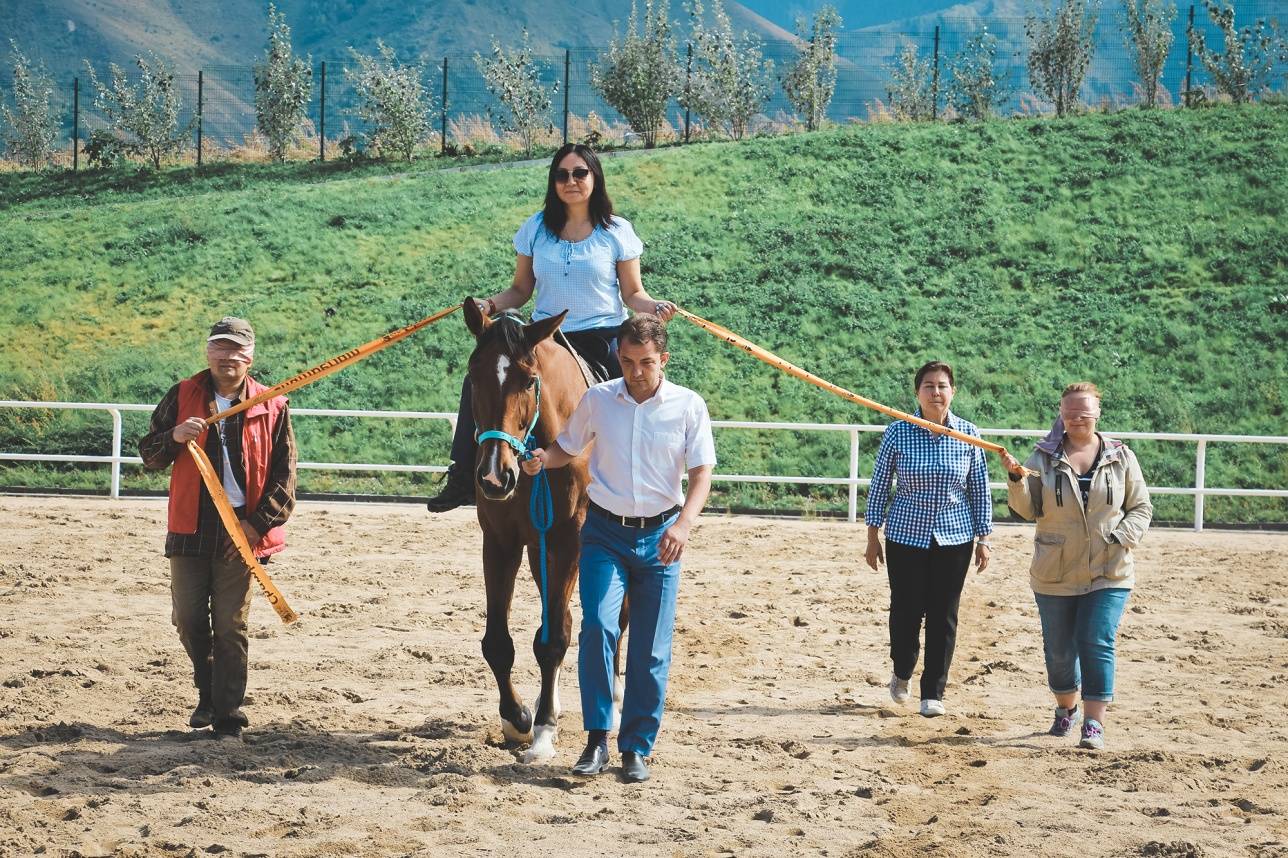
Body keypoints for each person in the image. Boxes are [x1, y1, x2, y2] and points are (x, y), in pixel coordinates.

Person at [426, 143, 677, 512]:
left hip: (601, 334)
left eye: (579, 173)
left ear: (594, 177)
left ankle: (639, 476)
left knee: (632, 387)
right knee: (479, 377)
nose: (570, 181)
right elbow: (521, 289)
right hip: (542, 336)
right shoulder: (536, 229)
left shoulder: (617, 231)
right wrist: (491, 305)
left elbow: (633, 293)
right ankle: (464, 472)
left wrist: (653, 307)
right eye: (562, 175)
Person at [521, 314, 715, 783]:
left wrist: (684, 526)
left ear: (663, 359)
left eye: (645, 362)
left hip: (661, 538)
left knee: (650, 650)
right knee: (598, 631)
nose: (635, 371)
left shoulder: (688, 406)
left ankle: (636, 748)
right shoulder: (599, 399)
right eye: (627, 361)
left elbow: (702, 474)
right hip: (604, 533)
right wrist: (542, 460)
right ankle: (596, 741)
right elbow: (568, 446)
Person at [138, 317, 297, 740]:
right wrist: (173, 435)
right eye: (220, 348)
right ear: (208, 353)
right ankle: (207, 689)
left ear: (250, 356)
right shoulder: (182, 395)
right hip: (190, 524)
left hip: (243, 528)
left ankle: (228, 714)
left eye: (236, 349)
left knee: (231, 625)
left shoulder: (273, 404)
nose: (228, 357)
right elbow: (150, 456)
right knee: (189, 620)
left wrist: (255, 525)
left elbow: (286, 478)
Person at [1001, 382, 1152, 751]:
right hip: (1055, 571)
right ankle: (1065, 708)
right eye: (1070, 412)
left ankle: (1094, 723)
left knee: (1097, 640)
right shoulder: (1043, 457)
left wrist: (1120, 538)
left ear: (1098, 413)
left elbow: (1141, 507)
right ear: (1061, 414)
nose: (1077, 418)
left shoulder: (1121, 456)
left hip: (1109, 570)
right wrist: (1017, 480)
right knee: (1059, 650)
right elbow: (1027, 510)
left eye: (1084, 411)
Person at [864, 361, 993, 718]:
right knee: (906, 610)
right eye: (928, 386)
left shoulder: (968, 434)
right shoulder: (898, 432)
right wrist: (872, 534)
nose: (936, 392)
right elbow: (879, 486)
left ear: (953, 391)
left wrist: (984, 537)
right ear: (917, 392)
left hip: (955, 535)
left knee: (943, 613)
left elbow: (978, 488)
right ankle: (902, 670)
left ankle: (933, 691)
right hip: (906, 532)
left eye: (942, 386)